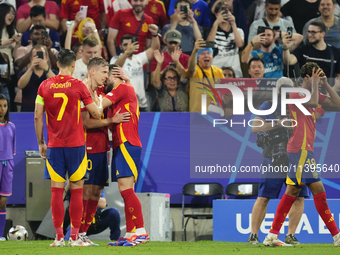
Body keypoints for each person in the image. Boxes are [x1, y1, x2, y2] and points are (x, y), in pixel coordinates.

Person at [263, 62, 340, 246]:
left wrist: (326, 84)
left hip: (304, 150)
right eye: (318, 75)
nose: (321, 79)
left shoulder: (314, 92)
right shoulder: (295, 92)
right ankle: (337, 236)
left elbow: (337, 104)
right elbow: (312, 102)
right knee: (314, 190)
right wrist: (314, 83)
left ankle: (272, 236)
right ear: (307, 77)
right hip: (300, 149)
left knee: (295, 191)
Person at [34, 49, 103, 247]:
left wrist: (41, 142)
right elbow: (95, 114)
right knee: (77, 191)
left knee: (56, 191)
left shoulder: (44, 86)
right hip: (76, 146)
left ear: (57, 64)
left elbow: (38, 116)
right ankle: (74, 237)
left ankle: (58, 238)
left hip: (54, 145)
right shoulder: (79, 86)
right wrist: (97, 102)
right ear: (74, 65)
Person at [247, 77, 308, 245]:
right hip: (273, 157)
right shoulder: (269, 105)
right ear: (278, 90)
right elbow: (255, 128)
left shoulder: (300, 106)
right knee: (264, 196)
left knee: (299, 197)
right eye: (284, 88)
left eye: (290, 88)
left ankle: (291, 234)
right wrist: (278, 123)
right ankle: (253, 235)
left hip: (296, 157)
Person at [78, 57, 130, 246]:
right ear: (93, 71)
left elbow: (125, 90)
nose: (107, 77)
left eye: (108, 73)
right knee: (85, 192)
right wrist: (110, 121)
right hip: (87, 146)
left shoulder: (101, 91)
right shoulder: (84, 90)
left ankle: (82, 234)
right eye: (104, 72)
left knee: (96, 192)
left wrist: (125, 77)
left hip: (102, 147)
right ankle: (76, 233)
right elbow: (86, 122)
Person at [100, 65, 149, 247]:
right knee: (126, 190)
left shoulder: (122, 88)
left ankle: (141, 231)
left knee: (126, 189)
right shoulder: (126, 89)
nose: (105, 79)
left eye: (107, 75)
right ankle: (130, 233)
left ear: (116, 75)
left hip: (128, 142)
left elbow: (98, 105)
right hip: (122, 143)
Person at [110, 24, 160, 111]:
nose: (128, 47)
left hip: (142, 104)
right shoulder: (115, 59)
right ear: (120, 46)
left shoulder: (139, 58)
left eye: (131, 45)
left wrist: (155, 34)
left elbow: (154, 49)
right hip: (126, 104)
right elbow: (115, 67)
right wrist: (126, 53)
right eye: (125, 45)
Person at [208, 2, 244, 78]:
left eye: (227, 11)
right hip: (216, 73)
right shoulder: (211, 32)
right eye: (222, 12)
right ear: (216, 15)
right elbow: (208, 46)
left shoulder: (239, 31)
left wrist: (233, 23)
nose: (225, 14)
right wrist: (216, 23)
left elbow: (240, 44)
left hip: (235, 73)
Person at [187, 39, 224, 112]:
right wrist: (195, 51)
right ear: (198, 58)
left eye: (208, 53)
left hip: (214, 113)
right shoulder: (196, 70)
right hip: (197, 113)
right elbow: (191, 70)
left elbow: (224, 92)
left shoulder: (218, 71)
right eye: (203, 54)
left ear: (212, 56)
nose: (206, 55)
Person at [17, 45, 57, 112]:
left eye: (41, 55)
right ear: (31, 59)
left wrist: (46, 69)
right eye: (36, 56)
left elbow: (57, 85)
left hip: (48, 112)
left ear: (47, 58)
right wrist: (31, 68)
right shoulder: (23, 73)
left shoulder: (54, 73)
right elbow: (20, 85)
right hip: (28, 111)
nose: (39, 58)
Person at [0, 3, 21, 111]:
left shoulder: (13, 31)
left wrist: (17, 43)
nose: (11, 16)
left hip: (9, 73)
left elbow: (14, 54)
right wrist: (11, 40)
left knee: (8, 106)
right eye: (9, 12)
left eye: (13, 13)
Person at [0, 94, 15, 241]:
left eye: (5, 106)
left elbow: (12, 150)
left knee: (3, 201)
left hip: (7, 165)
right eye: (0, 106)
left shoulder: (12, 126)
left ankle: (0, 236)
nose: (2, 109)